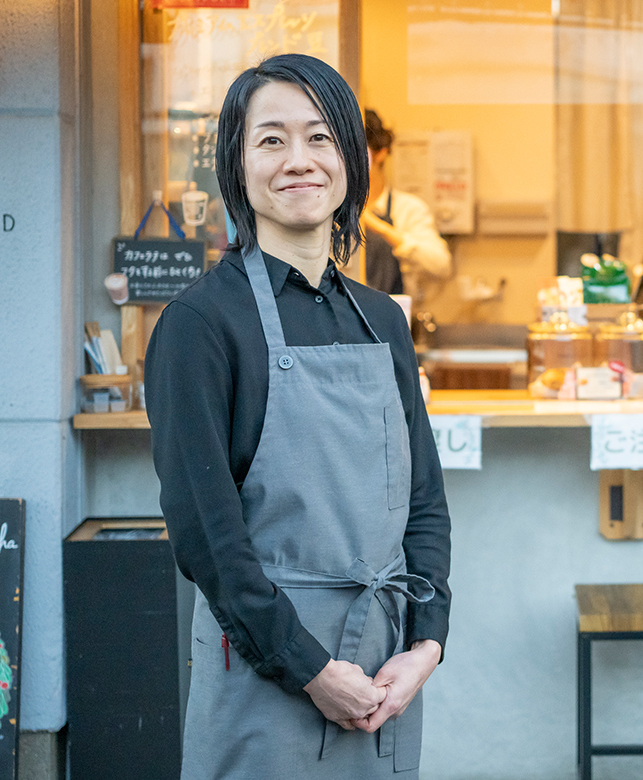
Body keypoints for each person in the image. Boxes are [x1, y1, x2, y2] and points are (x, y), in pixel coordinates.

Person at [145, 54, 451, 780]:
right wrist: (309, 667)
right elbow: (209, 540)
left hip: (384, 673)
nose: (298, 161)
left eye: (319, 138)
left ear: (349, 158)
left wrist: (426, 646)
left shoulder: (382, 320)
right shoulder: (199, 324)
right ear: (238, 164)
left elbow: (425, 504)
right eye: (271, 140)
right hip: (264, 664)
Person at [363, 109, 452, 296]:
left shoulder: (408, 209)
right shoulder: (331, 211)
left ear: (380, 153)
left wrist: (382, 229)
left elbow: (442, 266)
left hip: (397, 319)